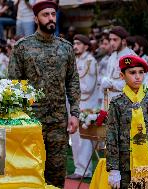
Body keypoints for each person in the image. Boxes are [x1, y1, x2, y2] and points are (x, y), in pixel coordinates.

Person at [8, 1, 80, 187]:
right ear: (36, 18)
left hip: (58, 121)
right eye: (45, 15)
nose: (50, 18)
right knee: (30, 168)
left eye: (52, 14)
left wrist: (75, 113)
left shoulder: (66, 48)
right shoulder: (22, 47)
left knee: (57, 171)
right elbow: (14, 84)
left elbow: (72, 81)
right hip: (31, 120)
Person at [106, 55, 148, 189]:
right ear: (122, 76)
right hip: (125, 166)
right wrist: (113, 169)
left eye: (141, 72)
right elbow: (111, 137)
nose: (137, 77)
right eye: (132, 73)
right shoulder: (117, 103)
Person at [67, 34, 99, 180]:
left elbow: (88, 86)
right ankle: (78, 168)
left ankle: (85, 170)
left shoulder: (90, 61)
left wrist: (70, 87)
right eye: (74, 43)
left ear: (86, 46)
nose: (75, 46)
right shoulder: (76, 60)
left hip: (87, 104)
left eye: (79, 44)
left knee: (85, 139)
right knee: (75, 137)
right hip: (76, 103)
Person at [100, 26, 135, 105]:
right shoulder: (112, 56)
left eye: (115, 40)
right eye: (110, 39)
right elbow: (108, 78)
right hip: (110, 100)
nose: (112, 43)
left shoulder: (131, 57)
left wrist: (112, 84)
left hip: (124, 101)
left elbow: (132, 83)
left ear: (123, 41)